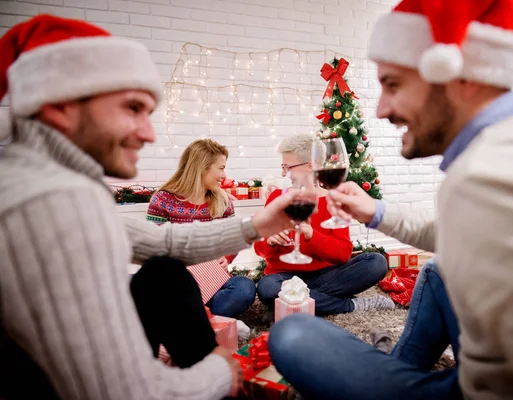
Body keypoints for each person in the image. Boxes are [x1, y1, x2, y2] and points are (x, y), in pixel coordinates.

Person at [267, 0, 513, 399]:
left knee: (291, 333)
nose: (381, 108)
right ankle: (400, 366)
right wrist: (375, 212)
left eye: (393, 85)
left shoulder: (493, 173)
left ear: (460, 80)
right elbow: (459, 234)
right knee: (438, 271)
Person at [0, 15, 297, 400]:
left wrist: (257, 224)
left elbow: (164, 242)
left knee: (165, 276)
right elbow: (125, 392)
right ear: (61, 106)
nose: (149, 132)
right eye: (132, 108)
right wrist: (219, 373)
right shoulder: (52, 204)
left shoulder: (48, 183)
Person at [254, 134, 392, 319]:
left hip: (326, 276)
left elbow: (343, 253)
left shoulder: (332, 201)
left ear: (310, 165)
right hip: (283, 277)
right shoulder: (277, 197)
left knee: (376, 263)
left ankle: (292, 302)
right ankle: (348, 305)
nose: (283, 174)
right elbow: (259, 249)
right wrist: (269, 241)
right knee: (268, 288)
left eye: (288, 167)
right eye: (282, 167)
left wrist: (313, 236)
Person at [146, 139, 256, 318]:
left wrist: (226, 257)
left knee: (244, 287)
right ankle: (201, 316)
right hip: (176, 281)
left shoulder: (223, 201)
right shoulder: (163, 200)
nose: (224, 175)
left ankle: (189, 316)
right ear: (202, 167)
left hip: (212, 282)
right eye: (220, 168)